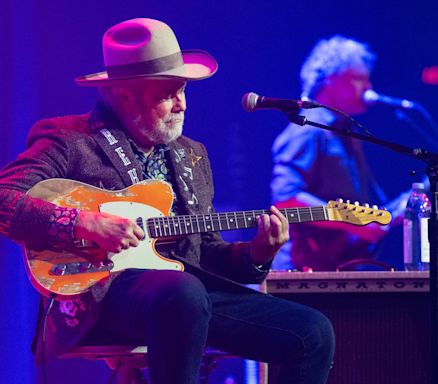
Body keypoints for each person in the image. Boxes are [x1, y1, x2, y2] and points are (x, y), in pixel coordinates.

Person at [0, 18, 335, 383]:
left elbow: (206, 253)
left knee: (312, 332)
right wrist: (85, 224)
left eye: (183, 91)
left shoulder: (193, 155)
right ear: (124, 94)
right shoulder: (70, 139)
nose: (181, 104)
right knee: (182, 293)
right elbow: (5, 199)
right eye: (167, 94)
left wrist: (257, 253)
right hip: (103, 295)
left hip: (186, 294)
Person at [271, 35, 407, 272]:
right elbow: (285, 199)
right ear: (331, 80)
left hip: (335, 266)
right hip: (301, 272)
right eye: (358, 79)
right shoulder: (308, 129)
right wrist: (354, 222)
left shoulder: (342, 130)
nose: (368, 88)